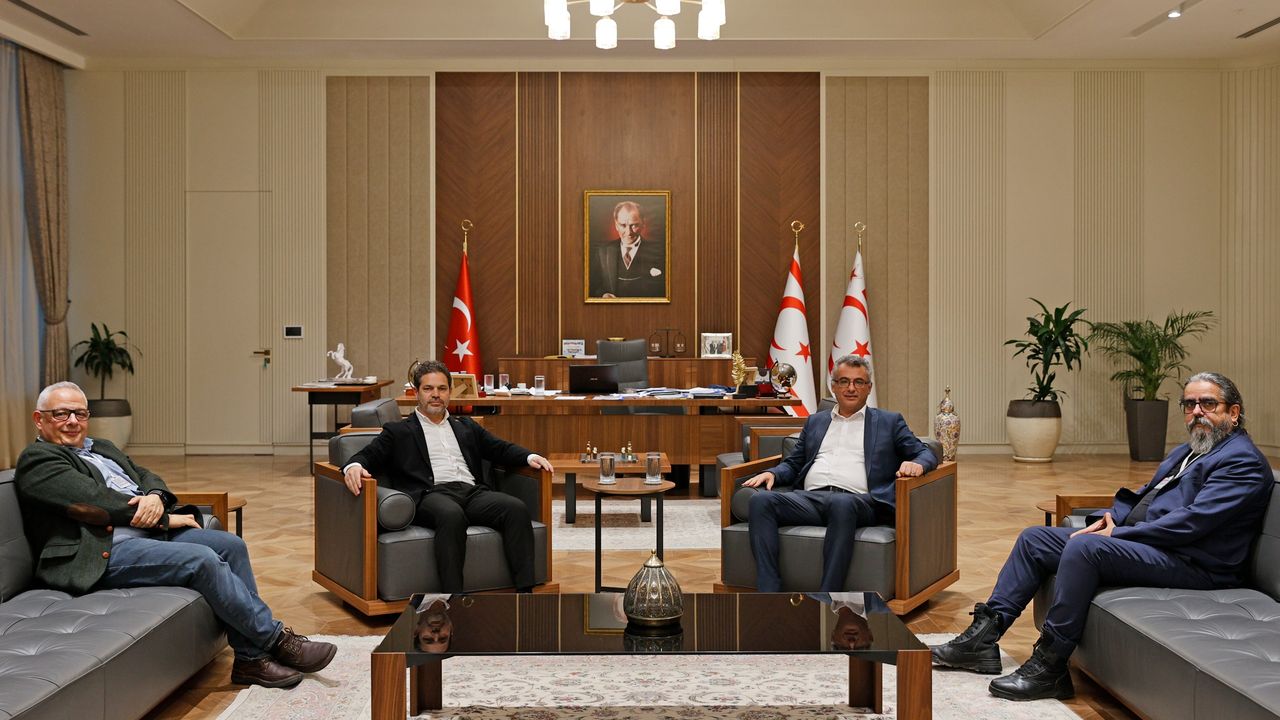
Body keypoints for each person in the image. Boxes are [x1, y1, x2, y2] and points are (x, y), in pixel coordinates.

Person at [931, 372, 1274, 702]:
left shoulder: (1241, 461)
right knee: (1035, 539)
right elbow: (1143, 495)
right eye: (1189, 404)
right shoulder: (1189, 451)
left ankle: (1050, 666)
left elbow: (1192, 523)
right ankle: (982, 640)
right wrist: (1108, 519)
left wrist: (1119, 534)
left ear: (1233, 412)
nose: (1197, 412)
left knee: (1086, 548)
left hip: (1196, 564)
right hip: (1159, 545)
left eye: (1208, 404)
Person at [14, 382, 336, 689]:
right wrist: (164, 518)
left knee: (231, 545)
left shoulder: (102, 447)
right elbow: (94, 500)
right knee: (202, 559)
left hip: (144, 534)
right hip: (100, 552)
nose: (73, 421)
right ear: (39, 419)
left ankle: (250, 660)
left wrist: (156, 496)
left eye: (80, 413)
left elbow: (146, 475)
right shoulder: (38, 460)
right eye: (61, 413)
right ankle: (277, 640)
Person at [342, 360, 554, 592]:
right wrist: (353, 466)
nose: (436, 394)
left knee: (515, 508)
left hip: (472, 492)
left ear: (449, 393)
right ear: (416, 393)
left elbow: (499, 448)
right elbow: (368, 455)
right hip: (429, 495)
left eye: (442, 389)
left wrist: (529, 456)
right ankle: (454, 599)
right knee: (451, 515)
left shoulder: (466, 426)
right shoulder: (398, 431)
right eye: (428, 388)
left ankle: (525, 594)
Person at [743, 355, 937, 592]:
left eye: (859, 382)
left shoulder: (889, 422)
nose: (851, 388)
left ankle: (827, 597)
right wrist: (773, 473)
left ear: (869, 388)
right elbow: (794, 463)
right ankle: (769, 592)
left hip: (860, 502)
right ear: (833, 386)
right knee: (761, 501)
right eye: (844, 381)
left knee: (841, 503)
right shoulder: (816, 422)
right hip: (811, 500)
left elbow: (926, 453)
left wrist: (918, 464)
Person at [589, 200, 666, 299]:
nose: (628, 232)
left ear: (643, 224)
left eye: (634, 225)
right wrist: (603, 295)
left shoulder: (659, 252)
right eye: (623, 225)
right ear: (616, 225)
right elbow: (592, 286)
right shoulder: (602, 252)